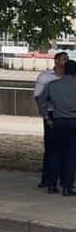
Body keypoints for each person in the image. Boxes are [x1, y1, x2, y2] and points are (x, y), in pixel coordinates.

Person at [39, 59, 76, 195]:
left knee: (55, 153)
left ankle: (51, 184)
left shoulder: (52, 85)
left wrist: (46, 117)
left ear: (64, 70)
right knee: (71, 155)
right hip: (74, 121)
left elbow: (41, 100)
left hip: (58, 120)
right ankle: (67, 186)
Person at [34, 51, 68, 188]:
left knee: (66, 148)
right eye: (63, 59)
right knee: (50, 148)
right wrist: (46, 116)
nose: (66, 61)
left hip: (66, 115)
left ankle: (64, 178)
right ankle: (46, 178)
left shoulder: (70, 77)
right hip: (51, 113)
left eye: (67, 59)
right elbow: (38, 97)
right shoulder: (45, 76)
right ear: (56, 61)